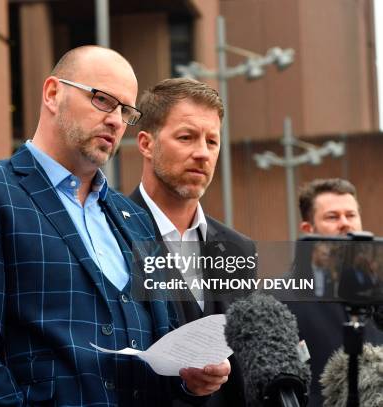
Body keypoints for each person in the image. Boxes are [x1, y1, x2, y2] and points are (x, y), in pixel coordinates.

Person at [0, 46, 230, 406]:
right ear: (53, 94)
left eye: (126, 111)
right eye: (103, 100)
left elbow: (160, 350)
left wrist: (188, 380)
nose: (117, 120)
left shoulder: (133, 219)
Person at [129, 77, 255, 406]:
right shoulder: (108, 234)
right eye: (186, 137)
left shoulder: (239, 248)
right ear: (146, 143)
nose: (202, 153)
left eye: (212, 141)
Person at [287, 178, 383, 406]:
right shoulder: (282, 299)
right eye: (332, 217)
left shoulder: (377, 293)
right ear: (308, 229)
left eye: (351, 215)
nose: (345, 224)